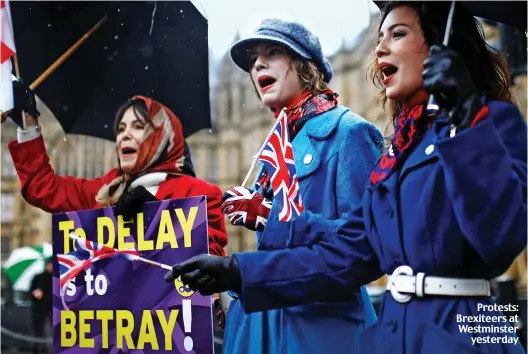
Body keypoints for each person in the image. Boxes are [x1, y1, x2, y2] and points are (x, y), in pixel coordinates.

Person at [165, 3, 527, 354]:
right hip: (397, 335)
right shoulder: (399, 150)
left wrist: (466, 116)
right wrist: (236, 271)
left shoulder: (489, 123)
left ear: (440, 47)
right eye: (379, 37)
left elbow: (498, 239)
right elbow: (349, 252)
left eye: (397, 34)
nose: (380, 47)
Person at [211, 18, 382, 354]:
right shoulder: (276, 145)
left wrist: (268, 215)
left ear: (305, 67)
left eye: (273, 52)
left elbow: (367, 249)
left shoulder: (349, 132)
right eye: (253, 60)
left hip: (319, 333)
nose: (258, 63)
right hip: (261, 329)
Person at [7, 84, 227, 256]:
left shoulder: (201, 195)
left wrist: (156, 214)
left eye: (139, 127)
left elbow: (208, 267)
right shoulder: (106, 192)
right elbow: (42, 188)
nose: (125, 135)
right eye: (121, 129)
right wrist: (28, 124)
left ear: (162, 137)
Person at [30, 259, 52, 354]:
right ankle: (37, 349)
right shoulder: (38, 277)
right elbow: (31, 291)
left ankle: (47, 349)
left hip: (52, 308)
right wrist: (35, 293)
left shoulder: (57, 278)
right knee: (38, 330)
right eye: (49, 264)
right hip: (39, 308)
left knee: (51, 330)